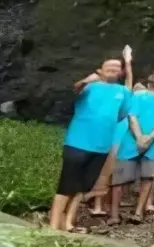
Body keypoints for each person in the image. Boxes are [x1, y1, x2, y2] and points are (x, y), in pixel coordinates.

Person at [50, 48, 132, 232]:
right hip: (77, 142)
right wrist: (86, 80)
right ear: (100, 70)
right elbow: (73, 91)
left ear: (121, 71)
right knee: (66, 184)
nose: (113, 69)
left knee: (82, 186)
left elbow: (121, 115)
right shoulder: (89, 87)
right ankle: (54, 226)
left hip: (101, 146)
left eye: (117, 67)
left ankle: (69, 222)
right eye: (109, 66)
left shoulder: (124, 92)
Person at [109, 62, 154, 224]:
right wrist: (139, 137)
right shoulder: (138, 96)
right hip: (131, 141)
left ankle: (138, 212)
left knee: (148, 178)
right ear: (151, 77)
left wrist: (150, 137)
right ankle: (114, 214)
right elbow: (132, 117)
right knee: (120, 179)